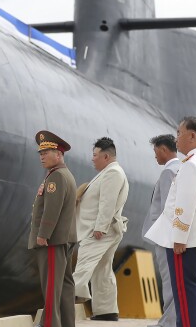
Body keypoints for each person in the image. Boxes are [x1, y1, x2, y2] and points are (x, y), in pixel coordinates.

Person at [145, 117, 196, 327]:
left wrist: (179, 238)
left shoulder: (192, 165)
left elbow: (185, 205)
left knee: (185, 297)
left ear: (192, 135)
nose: (176, 139)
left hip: (187, 243)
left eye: (179, 133)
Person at [73, 137, 129, 322]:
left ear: (106, 156)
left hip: (99, 231)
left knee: (83, 265)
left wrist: (100, 228)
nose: (92, 159)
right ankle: (107, 311)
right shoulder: (109, 171)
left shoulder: (113, 173)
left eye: (95, 155)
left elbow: (108, 202)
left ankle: (63, 304)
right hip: (106, 229)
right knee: (102, 270)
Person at [28, 130, 77, 327]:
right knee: (64, 286)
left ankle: (49, 324)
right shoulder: (65, 175)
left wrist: (43, 235)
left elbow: (51, 210)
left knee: (51, 288)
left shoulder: (56, 178)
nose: (41, 157)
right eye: (40, 153)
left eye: (45, 153)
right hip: (64, 238)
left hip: (52, 240)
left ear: (59, 154)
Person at [141, 134, 180, 327]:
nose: (155, 156)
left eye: (156, 151)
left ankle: (168, 323)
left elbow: (167, 209)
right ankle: (170, 320)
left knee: (169, 282)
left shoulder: (168, 172)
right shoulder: (181, 168)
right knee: (175, 282)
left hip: (166, 238)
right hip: (175, 237)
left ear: (164, 149)